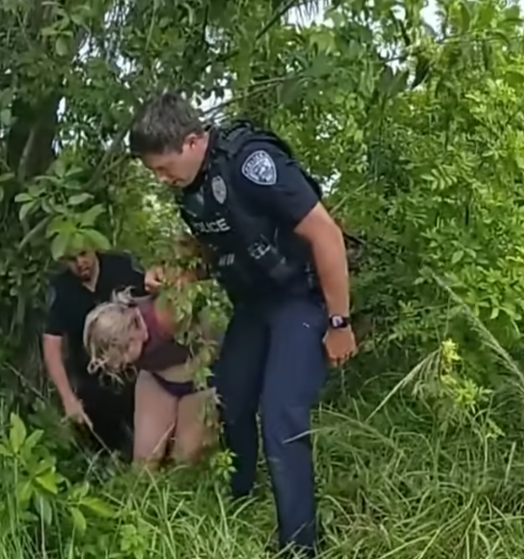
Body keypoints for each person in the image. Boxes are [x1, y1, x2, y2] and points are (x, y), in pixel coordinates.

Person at [127, 91, 357, 555]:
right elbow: (217, 254)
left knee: (281, 414)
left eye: (164, 167)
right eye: (155, 172)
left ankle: (299, 546)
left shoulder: (251, 164)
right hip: (254, 304)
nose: (162, 179)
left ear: (192, 141)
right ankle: (241, 496)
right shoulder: (191, 192)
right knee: (229, 397)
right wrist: (175, 273)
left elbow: (326, 234)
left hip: (301, 299)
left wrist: (339, 323)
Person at [81, 289, 216, 468]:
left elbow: (206, 314)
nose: (125, 363)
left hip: (197, 381)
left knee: (184, 460)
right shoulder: (129, 343)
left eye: (124, 353)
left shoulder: (164, 317)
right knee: (145, 463)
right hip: (157, 380)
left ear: (128, 334)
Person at [42, 250, 146, 459]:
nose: (80, 262)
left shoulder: (122, 266)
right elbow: (51, 345)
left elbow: (152, 304)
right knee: (107, 451)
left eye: (83, 254)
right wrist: (68, 399)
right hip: (93, 381)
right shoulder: (61, 289)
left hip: (138, 372)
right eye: (72, 259)